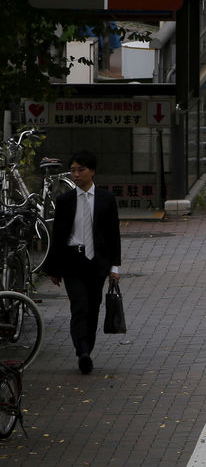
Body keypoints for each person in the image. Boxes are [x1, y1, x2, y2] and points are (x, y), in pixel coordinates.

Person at [43, 151, 121, 374]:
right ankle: (82, 351)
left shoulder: (106, 199)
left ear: (92, 171)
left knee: (93, 307)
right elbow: (57, 236)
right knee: (79, 306)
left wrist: (114, 267)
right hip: (72, 261)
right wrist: (54, 268)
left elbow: (113, 235)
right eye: (73, 170)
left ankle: (88, 347)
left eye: (81, 170)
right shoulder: (65, 201)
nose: (76, 175)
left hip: (96, 262)